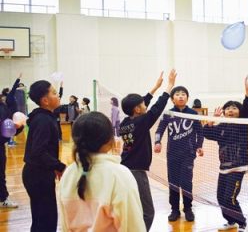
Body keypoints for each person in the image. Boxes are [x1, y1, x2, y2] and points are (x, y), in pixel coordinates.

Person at [58, 112, 146, 231]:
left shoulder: (68, 174)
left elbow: (65, 226)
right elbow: (134, 226)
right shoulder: (120, 175)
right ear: (109, 141)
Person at [119, 69, 177, 232]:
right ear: (137, 109)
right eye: (143, 105)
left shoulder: (125, 122)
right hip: (137, 172)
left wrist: (155, 87)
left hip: (124, 169)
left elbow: (143, 104)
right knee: (148, 213)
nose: (146, 105)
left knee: (133, 208)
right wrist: (168, 87)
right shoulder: (143, 122)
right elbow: (157, 108)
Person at [202, 76, 248, 232]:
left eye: (234, 108)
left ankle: (242, 223)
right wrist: (212, 121)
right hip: (224, 167)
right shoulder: (221, 127)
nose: (231, 110)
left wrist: (247, 91)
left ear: (240, 113)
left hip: (239, 167)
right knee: (220, 198)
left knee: (229, 198)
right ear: (224, 112)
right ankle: (231, 221)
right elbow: (207, 133)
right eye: (228, 108)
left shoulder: (242, 125)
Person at [154, 86, 204, 222]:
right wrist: (157, 142)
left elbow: (200, 132)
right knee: (173, 183)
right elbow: (159, 130)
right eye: (177, 94)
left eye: (183, 94)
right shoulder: (168, 113)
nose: (181, 96)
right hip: (172, 154)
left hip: (188, 154)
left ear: (187, 98)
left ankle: (188, 209)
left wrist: (199, 146)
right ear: (172, 99)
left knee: (186, 183)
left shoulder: (193, 113)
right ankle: (174, 210)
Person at [22, 80, 67, 232]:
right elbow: (39, 151)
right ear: (45, 101)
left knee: (43, 219)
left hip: (39, 173)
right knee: (45, 222)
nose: (58, 96)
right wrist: (59, 166)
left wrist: (52, 166)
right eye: (54, 93)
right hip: (37, 175)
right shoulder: (43, 120)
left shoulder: (45, 116)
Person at [0, 101, 24, 208]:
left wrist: (18, 127)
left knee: (0, 174)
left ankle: (2, 199)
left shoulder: (2, 106)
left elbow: (8, 124)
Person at [2, 73, 23, 146]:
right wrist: (18, 78)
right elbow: (14, 87)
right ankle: (10, 141)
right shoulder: (10, 96)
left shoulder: (8, 98)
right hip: (12, 114)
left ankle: (10, 141)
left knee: (13, 128)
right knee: (13, 128)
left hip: (12, 114)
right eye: (9, 89)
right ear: (7, 92)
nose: (11, 90)